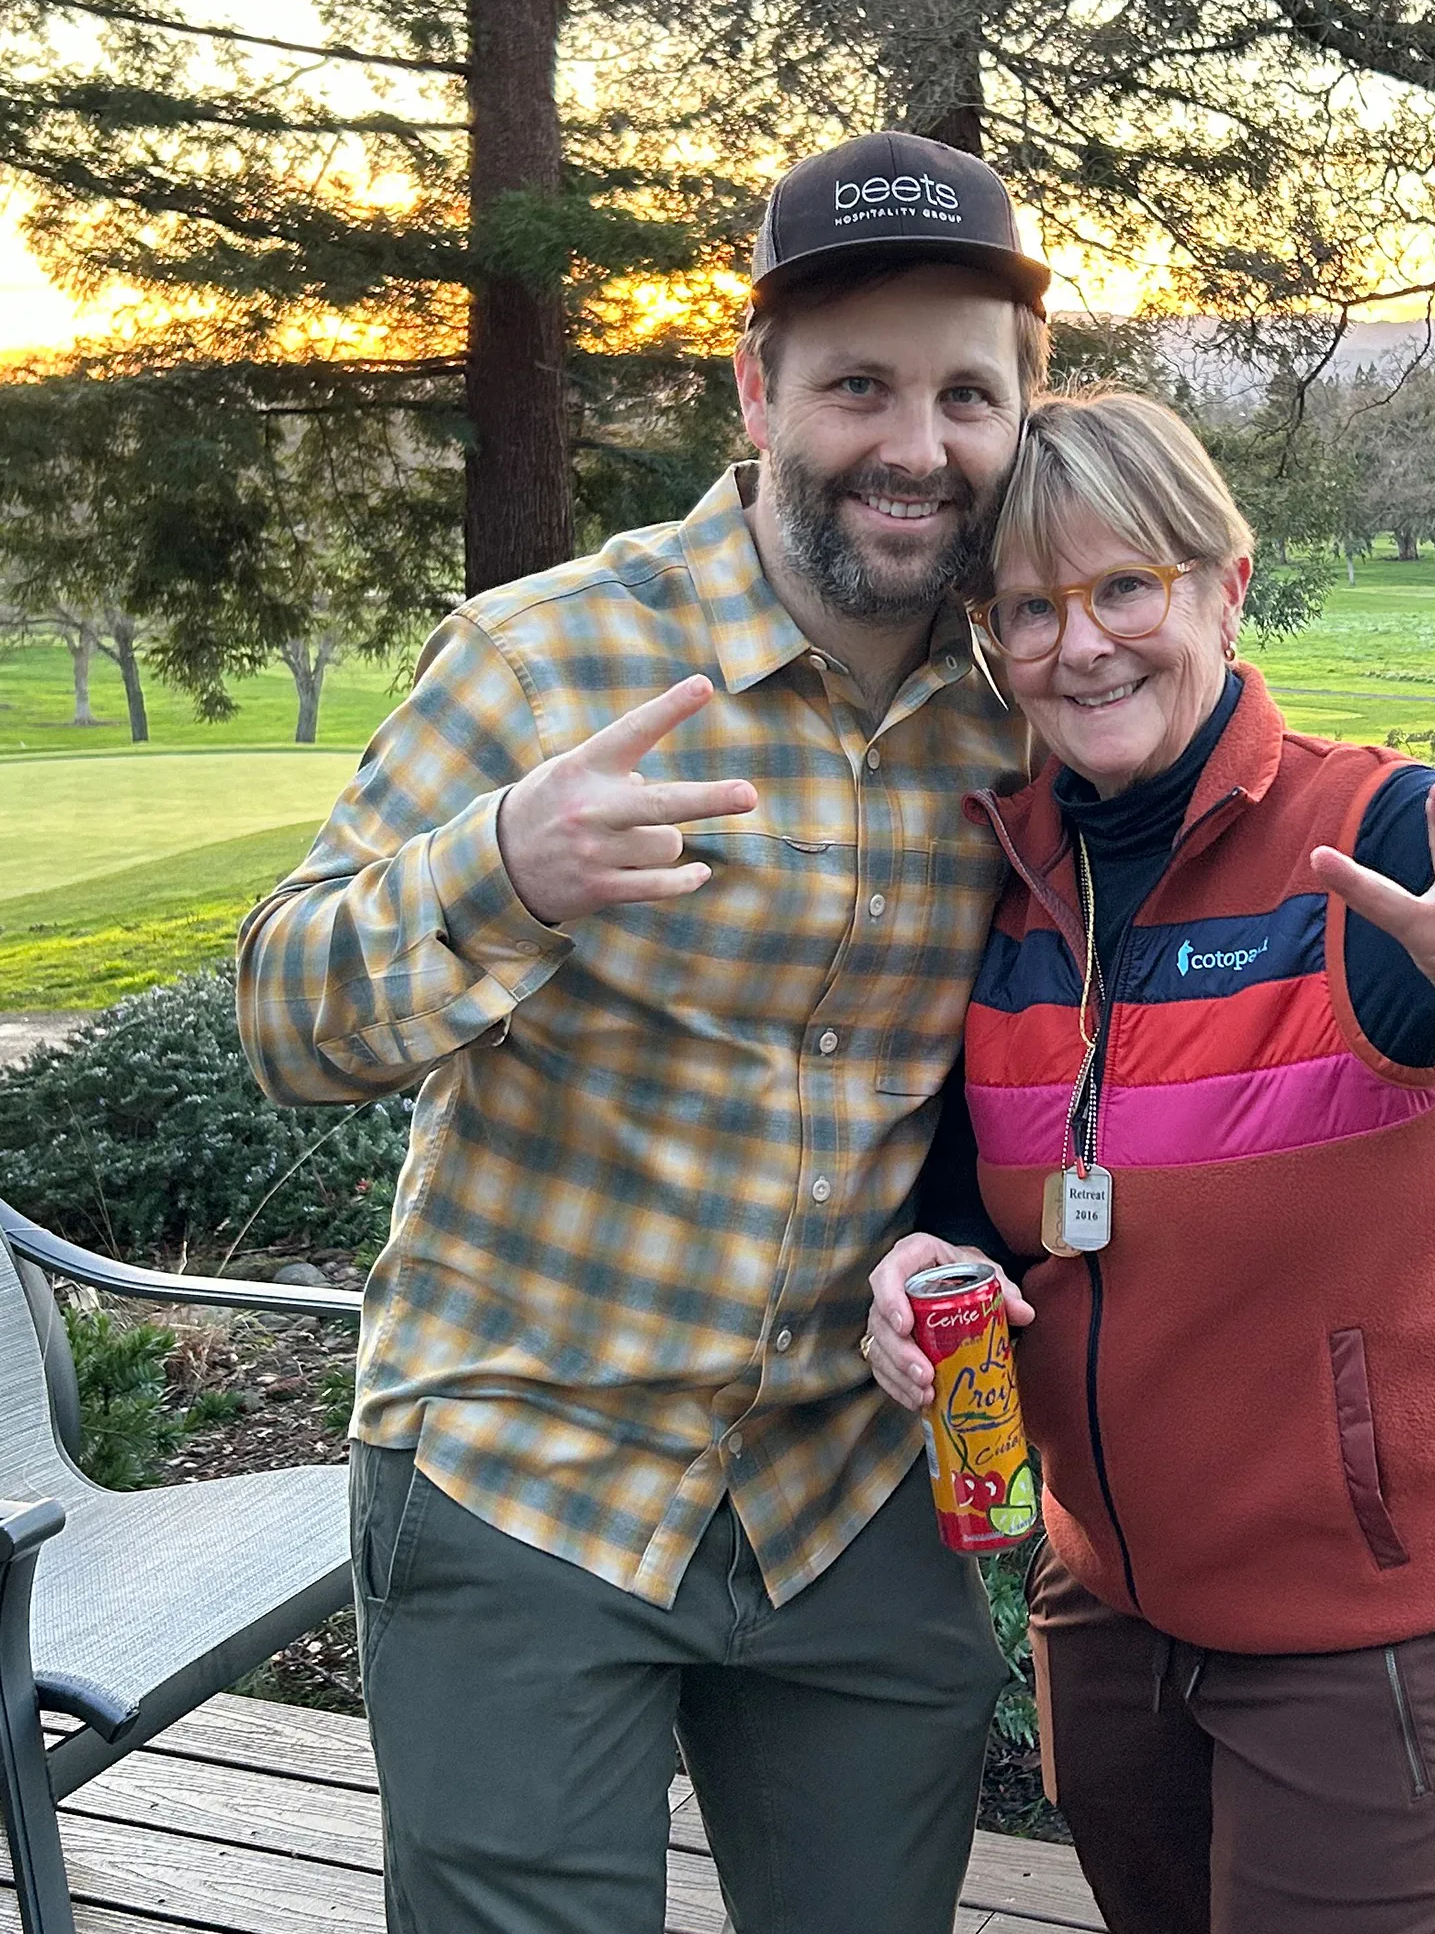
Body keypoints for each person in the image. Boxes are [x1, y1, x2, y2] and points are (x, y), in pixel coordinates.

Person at [236, 132, 1052, 1934]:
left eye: (964, 395)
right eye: (859, 385)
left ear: (1018, 415)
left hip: (846, 1493)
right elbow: (283, 1015)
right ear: (756, 391)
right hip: (529, 1469)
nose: (916, 445)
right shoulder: (544, 666)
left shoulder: (1025, 719)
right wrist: (506, 867)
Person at [866, 390, 1435, 1934]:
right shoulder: (1012, 873)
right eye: (1028, 607)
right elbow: (987, 1175)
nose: (1079, 645)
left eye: (1125, 587)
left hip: (1381, 1624)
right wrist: (927, 1254)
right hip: (1105, 1606)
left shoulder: (1369, 839)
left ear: (1225, 585)